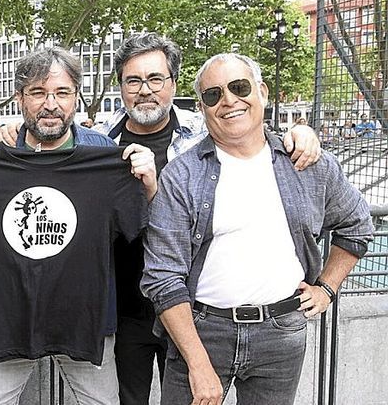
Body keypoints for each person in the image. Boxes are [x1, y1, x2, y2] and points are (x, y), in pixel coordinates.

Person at [0, 33, 322, 405]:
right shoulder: (99, 147)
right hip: (125, 313)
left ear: (173, 84)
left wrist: (301, 132)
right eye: (133, 81)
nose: (145, 90)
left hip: (194, 315)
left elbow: (251, 135)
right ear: (120, 87)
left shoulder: (207, 136)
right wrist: (15, 135)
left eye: (155, 79)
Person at [0, 47, 157, 405]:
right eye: (37, 93)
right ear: (20, 98)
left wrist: (147, 186)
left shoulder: (108, 159)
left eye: (62, 93)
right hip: (5, 325)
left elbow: (139, 228)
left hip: (84, 323)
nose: (51, 104)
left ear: (76, 98)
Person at [141, 53, 373, 405]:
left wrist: (326, 287)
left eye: (239, 87)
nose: (228, 101)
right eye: (213, 94)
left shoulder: (308, 164)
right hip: (203, 333)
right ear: (203, 108)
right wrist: (198, 363)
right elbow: (163, 276)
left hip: (281, 334)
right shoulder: (181, 176)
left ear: (262, 92)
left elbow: (357, 226)